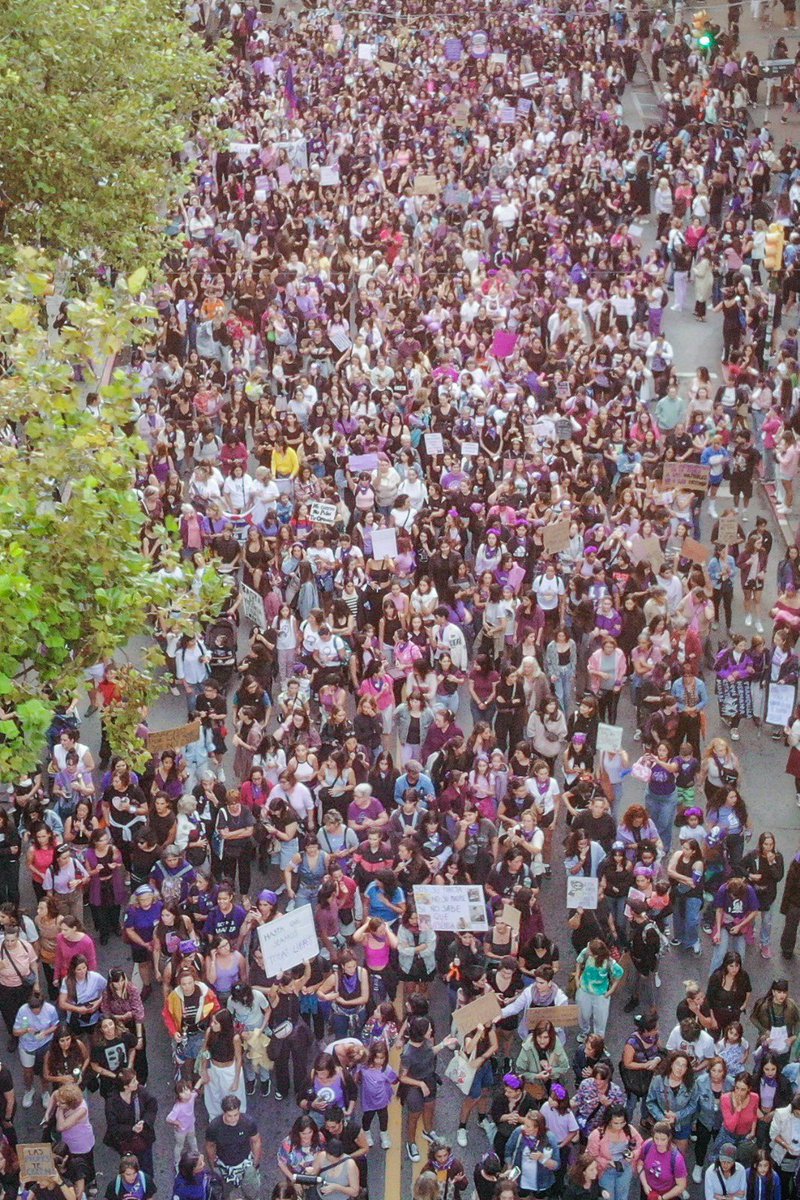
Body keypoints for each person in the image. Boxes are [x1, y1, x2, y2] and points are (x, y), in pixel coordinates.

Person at [204, 1095, 261, 1200]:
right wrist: (213, 1167)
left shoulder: (248, 1122)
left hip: (246, 1164)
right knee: (225, 1195)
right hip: (224, 1166)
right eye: (229, 1116)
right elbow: (210, 1146)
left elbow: (256, 1141)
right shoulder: (214, 1127)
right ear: (224, 1112)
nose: (233, 1119)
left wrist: (255, 1163)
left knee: (252, 1193)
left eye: (236, 1115)